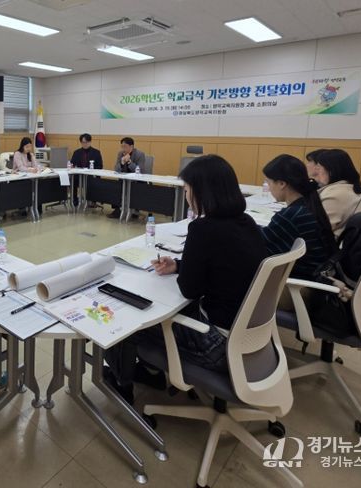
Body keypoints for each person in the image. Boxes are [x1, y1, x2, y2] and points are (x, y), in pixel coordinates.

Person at [104, 155, 267, 404]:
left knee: (130, 317)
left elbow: (190, 290)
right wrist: (179, 265)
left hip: (217, 345)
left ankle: (121, 383)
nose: (187, 195)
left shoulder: (203, 229)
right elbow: (224, 266)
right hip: (248, 338)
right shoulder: (248, 223)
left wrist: (186, 267)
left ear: (202, 192)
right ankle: (149, 373)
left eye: (188, 189)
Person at [261, 154, 336, 281]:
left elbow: (262, 248)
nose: (268, 188)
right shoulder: (308, 205)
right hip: (319, 275)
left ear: (282, 183)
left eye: (268, 182)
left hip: (302, 282)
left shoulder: (291, 216)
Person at [313, 149, 361, 237]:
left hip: (324, 242)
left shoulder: (335, 195)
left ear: (331, 171)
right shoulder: (348, 187)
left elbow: (319, 229)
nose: (316, 172)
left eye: (319, 168)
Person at [108, 137, 146, 218]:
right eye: (122, 146)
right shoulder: (120, 153)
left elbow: (140, 170)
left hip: (136, 181)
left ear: (131, 146)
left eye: (125, 146)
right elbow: (116, 169)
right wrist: (121, 163)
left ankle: (134, 210)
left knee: (136, 189)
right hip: (124, 179)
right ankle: (118, 210)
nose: (123, 149)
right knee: (114, 187)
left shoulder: (140, 154)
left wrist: (129, 162)